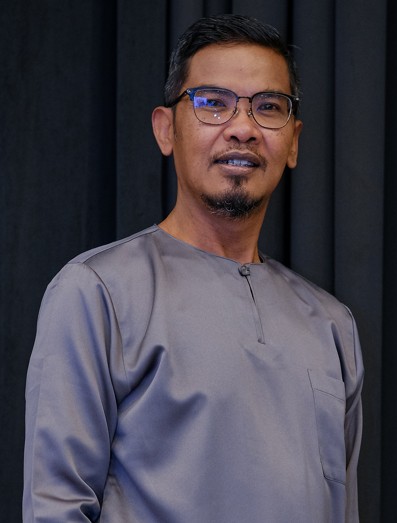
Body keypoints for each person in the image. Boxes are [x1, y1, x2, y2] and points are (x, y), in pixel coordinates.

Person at [23, 13, 364, 522]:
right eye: (213, 103)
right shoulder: (99, 293)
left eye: (268, 107)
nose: (243, 129)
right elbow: (55, 508)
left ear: (293, 141)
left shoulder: (332, 326)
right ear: (167, 130)